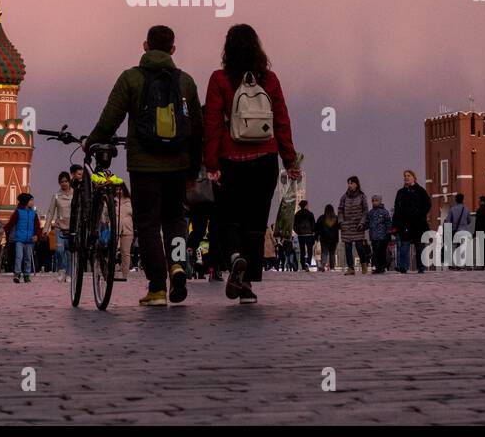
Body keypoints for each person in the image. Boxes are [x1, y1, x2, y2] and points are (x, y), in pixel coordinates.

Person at [85, 24, 204, 307]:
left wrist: (91, 142)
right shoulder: (185, 82)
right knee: (175, 219)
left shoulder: (131, 78)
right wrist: (192, 168)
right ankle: (177, 267)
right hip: (177, 165)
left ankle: (157, 288)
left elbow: (109, 119)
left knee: (148, 223)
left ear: (145, 46)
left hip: (144, 165)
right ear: (173, 49)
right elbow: (197, 129)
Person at [201, 23, 297, 305]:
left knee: (229, 217)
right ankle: (247, 285)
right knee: (256, 222)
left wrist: (211, 163)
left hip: (231, 160)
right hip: (265, 160)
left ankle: (234, 259)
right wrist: (289, 159)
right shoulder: (270, 80)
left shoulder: (219, 79)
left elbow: (213, 125)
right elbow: (281, 121)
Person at [394, 170, 431, 274]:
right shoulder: (401, 192)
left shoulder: (420, 191)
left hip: (418, 223)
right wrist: (395, 224)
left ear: (414, 177)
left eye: (408, 176)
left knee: (419, 245)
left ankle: (421, 267)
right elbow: (397, 208)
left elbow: (428, 204)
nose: (406, 178)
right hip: (405, 223)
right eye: (405, 176)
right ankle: (403, 266)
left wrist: (420, 213)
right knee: (404, 245)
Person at [4, 193, 42, 283]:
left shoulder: (34, 214)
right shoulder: (18, 212)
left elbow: (37, 227)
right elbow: (11, 223)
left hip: (30, 240)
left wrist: (37, 235)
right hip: (19, 239)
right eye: (31, 200)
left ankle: (27, 275)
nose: (33, 202)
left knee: (28, 258)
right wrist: (3, 229)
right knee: (19, 256)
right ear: (26, 202)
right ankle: (17, 274)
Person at [338, 177, 369, 275]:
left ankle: (364, 263)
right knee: (347, 247)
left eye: (351, 183)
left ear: (356, 184)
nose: (349, 185)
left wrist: (362, 222)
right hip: (347, 226)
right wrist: (341, 222)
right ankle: (351, 268)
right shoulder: (344, 197)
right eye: (348, 183)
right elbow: (340, 210)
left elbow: (365, 211)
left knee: (359, 247)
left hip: (357, 226)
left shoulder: (362, 196)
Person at [46, 172, 74, 282]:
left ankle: (69, 274)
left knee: (70, 252)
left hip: (72, 228)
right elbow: (50, 212)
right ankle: (61, 269)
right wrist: (46, 228)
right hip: (59, 227)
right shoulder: (56, 196)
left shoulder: (75, 194)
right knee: (59, 251)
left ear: (69, 181)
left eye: (66, 181)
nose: (64, 184)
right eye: (62, 182)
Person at [444, 193, 472, 269]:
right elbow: (469, 220)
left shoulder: (452, 209)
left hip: (456, 232)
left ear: (456, 200)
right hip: (464, 231)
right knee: (463, 248)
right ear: (463, 200)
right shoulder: (466, 209)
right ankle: (463, 264)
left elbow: (448, 221)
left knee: (456, 248)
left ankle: (457, 264)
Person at [366, 195, 391, 274]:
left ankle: (381, 267)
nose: (374, 202)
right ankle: (377, 267)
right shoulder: (371, 213)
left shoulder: (384, 212)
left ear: (380, 201)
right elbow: (368, 223)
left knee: (381, 252)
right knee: (375, 252)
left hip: (382, 236)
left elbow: (388, 223)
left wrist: (388, 234)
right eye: (373, 201)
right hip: (373, 236)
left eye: (376, 200)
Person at [293, 200, 316, 272]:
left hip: (301, 235)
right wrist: (312, 232)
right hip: (309, 234)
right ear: (306, 205)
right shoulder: (310, 214)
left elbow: (294, 225)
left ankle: (303, 266)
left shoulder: (297, 214)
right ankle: (308, 262)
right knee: (309, 250)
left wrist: (298, 232)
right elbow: (313, 224)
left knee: (302, 250)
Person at [315, 204, 340, 271]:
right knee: (332, 253)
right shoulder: (336, 218)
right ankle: (332, 268)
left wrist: (316, 237)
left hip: (324, 239)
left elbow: (317, 228)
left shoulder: (321, 218)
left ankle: (323, 265)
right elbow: (340, 227)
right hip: (334, 239)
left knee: (324, 253)